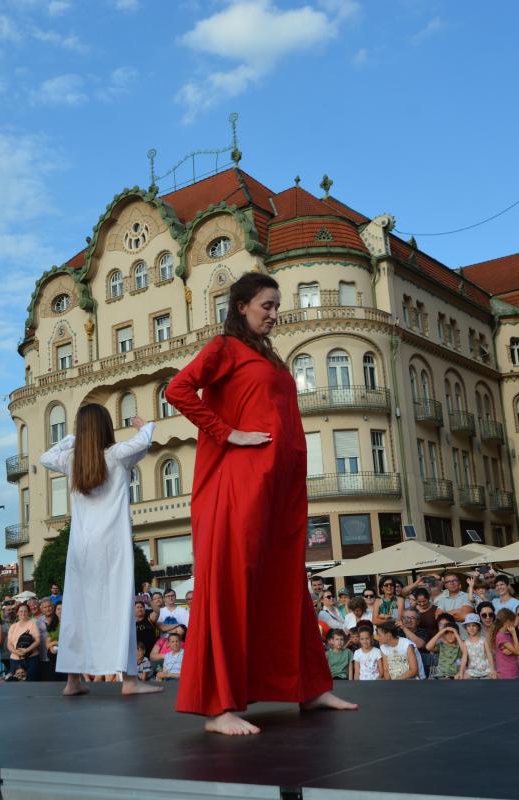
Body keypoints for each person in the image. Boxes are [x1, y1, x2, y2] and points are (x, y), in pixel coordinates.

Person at [165, 272, 354, 735]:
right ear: (242, 305)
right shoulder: (224, 347)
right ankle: (217, 708)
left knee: (284, 582)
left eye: (276, 305)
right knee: (231, 582)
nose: (274, 313)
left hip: (280, 486)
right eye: (267, 305)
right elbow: (178, 390)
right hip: (238, 485)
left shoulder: (265, 354)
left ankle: (308, 688)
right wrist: (227, 432)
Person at [39, 405, 161, 698]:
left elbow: (45, 457)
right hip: (112, 547)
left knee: (77, 611)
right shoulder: (117, 455)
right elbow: (144, 441)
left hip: (82, 547)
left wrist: (71, 439)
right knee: (120, 607)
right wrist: (144, 424)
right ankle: (129, 680)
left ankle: (73, 680)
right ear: (106, 426)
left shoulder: (72, 460)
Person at [7, 602, 41, 678]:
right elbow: (9, 644)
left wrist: (27, 650)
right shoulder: (13, 626)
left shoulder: (32, 624)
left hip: (31, 658)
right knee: (16, 684)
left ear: (28, 612)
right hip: (15, 659)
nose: (23, 613)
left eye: (25, 611)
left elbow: (37, 640)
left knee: (30, 682)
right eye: (21, 611)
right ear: (17, 613)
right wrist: (15, 651)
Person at [425, 613, 465, 679]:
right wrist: (441, 632)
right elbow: (428, 647)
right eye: (447, 633)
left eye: (452, 633)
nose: (450, 635)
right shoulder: (441, 645)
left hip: (455, 676)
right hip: (441, 675)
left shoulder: (460, 645)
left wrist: (456, 634)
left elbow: (464, 651)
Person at [459, 613, 494, 679]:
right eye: (468, 626)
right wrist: (461, 672)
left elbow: (489, 655)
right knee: (464, 677)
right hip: (472, 670)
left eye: (474, 625)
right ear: (466, 628)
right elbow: (464, 658)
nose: (471, 628)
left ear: (478, 627)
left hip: (485, 670)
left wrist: (492, 669)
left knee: (493, 677)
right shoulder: (466, 642)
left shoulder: (483, 640)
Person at [489, 609, 519, 679]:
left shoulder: (506, 634)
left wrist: (512, 651)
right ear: (508, 621)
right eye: (513, 622)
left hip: (513, 671)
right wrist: (514, 633)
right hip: (507, 674)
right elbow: (518, 651)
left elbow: (518, 649)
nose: (514, 625)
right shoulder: (501, 636)